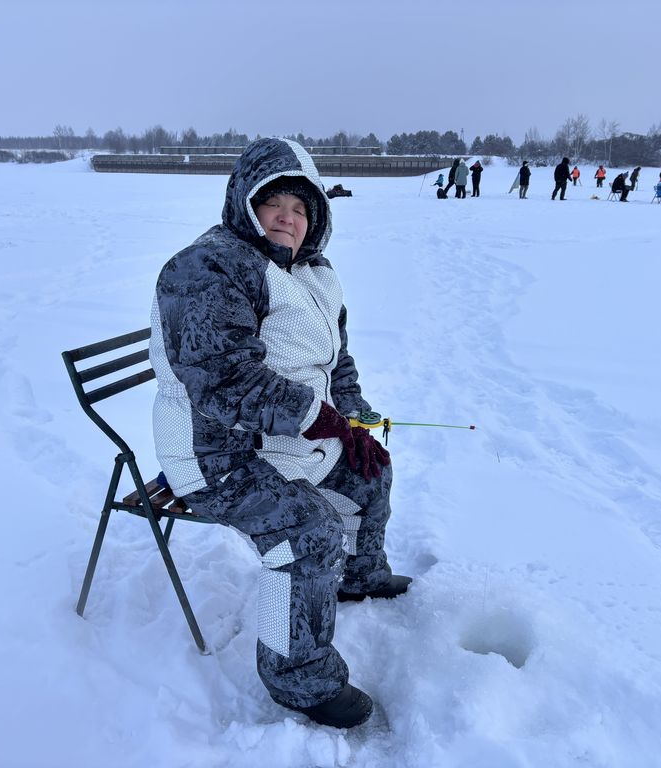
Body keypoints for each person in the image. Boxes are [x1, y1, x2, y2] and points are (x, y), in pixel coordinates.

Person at [149, 137, 409, 729]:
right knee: (309, 532)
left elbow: (335, 363)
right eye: (274, 205)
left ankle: (358, 575)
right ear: (246, 205)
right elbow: (221, 378)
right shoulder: (207, 267)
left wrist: (356, 420)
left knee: (373, 472)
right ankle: (299, 680)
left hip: (288, 435)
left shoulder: (314, 274)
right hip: (215, 451)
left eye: (300, 207)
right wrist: (318, 417)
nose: (287, 218)